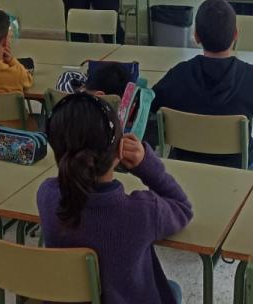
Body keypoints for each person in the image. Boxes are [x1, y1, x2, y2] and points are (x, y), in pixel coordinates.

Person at [38, 93, 192, 303]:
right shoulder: (144, 211)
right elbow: (183, 208)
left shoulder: (47, 195)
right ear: (120, 149)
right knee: (171, 288)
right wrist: (145, 164)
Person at [150, 0, 253, 171]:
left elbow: (152, 103)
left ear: (196, 36)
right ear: (236, 34)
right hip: (237, 163)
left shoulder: (179, 74)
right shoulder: (249, 77)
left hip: (185, 161)